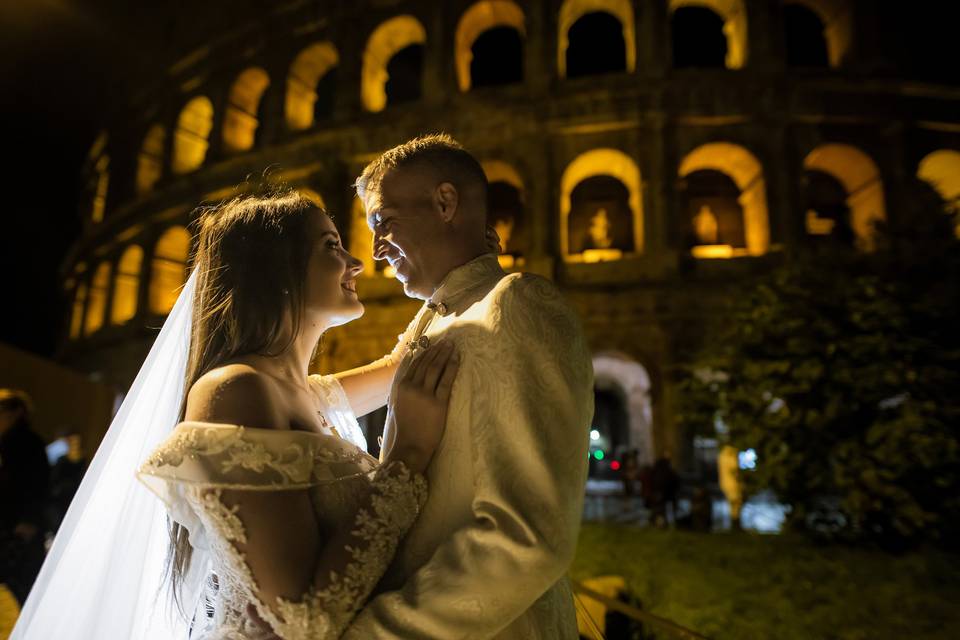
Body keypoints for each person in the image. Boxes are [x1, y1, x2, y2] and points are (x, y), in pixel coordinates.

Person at [11, 190, 461, 640]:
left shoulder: (308, 395)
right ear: (273, 269)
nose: (355, 262)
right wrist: (407, 457)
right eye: (330, 245)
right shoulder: (237, 391)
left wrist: (462, 268)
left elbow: (400, 363)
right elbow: (305, 617)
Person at [342, 134, 595, 639]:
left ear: (445, 202)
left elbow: (526, 535)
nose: (373, 248)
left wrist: (374, 633)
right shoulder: (435, 318)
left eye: (384, 221)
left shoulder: (515, 303)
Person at [0, 389, 50, 605]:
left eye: (2, 410)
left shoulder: (27, 442)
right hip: (10, 524)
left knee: (23, 588)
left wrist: (29, 519)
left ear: (17, 412)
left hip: (19, 528)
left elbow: (36, 484)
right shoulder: (8, 442)